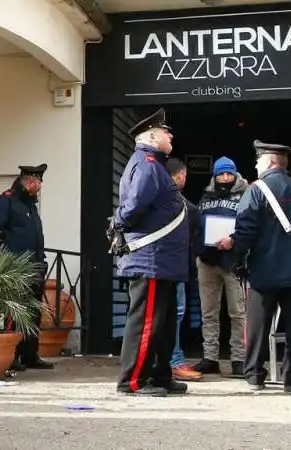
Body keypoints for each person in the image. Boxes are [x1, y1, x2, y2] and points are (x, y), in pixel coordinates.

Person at [217, 140, 291, 393]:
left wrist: (235, 252)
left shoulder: (256, 190)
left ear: (269, 162)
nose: (255, 164)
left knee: (258, 325)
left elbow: (245, 230)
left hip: (264, 271)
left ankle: (254, 376)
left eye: (258, 160)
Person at [108, 108, 190, 397]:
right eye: (166, 131)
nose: (171, 135)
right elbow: (133, 206)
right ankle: (132, 381)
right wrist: (117, 224)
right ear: (153, 135)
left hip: (162, 261)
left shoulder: (154, 163)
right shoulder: (146, 163)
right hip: (151, 259)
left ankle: (159, 376)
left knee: (163, 325)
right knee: (145, 324)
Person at [0, 164, 54, 371]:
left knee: (33, 311)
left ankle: (30, 354)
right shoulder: (7, 200)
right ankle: (11, 356)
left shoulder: (30, 205)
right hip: (15, 266)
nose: (40, 185)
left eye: (40, 181)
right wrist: (10, 251)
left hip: (35, 266)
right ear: (27, 181)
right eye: (37, 181)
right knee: (14, 312)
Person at [191, 157, 249, 378]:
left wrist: (234, 240)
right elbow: (198, 224)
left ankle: (239, 359)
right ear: (214, 176)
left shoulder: (245, 195)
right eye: (221, 174)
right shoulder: (207, 195)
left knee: (237, 313)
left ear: (235, 174)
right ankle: (210, 358)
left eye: (229, 174)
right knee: (209, 313)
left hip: (233, 261)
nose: (225, 178)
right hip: (208, 260)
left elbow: (249, 225)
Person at [165, 157, 204, 382]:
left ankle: (172, 358)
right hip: (172, 264)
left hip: (169, 264)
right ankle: (173, 361)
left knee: (172, 312)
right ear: (180, 176)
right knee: (175, 312)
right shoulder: (174, 201)